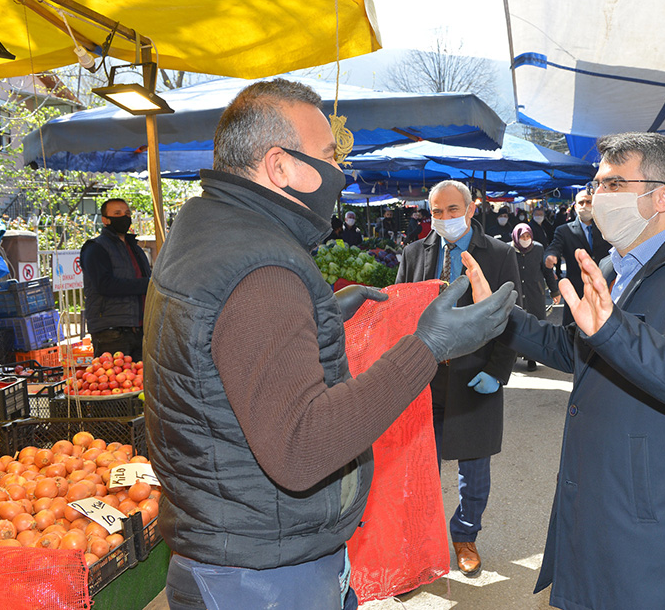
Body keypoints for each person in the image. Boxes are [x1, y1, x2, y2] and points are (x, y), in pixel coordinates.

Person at [143, 79, 517, 610]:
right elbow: (302, 448)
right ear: (280, 166)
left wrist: (314, 321)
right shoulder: (261, 265)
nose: (339, 172)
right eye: (327, 156)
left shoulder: (208, 228)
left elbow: (220, 350)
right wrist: (427, 347)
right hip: (262, 577)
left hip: (239, 541)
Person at [463, 132, 665, 610]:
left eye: (614, 184)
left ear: (662, 196)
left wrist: (615, 330)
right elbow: (574, 346)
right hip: (600, 504)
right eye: (597, 185)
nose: (598, 197)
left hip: (660, 526)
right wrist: (499, 317)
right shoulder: (616, 267)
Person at [395, 180, 521, 578]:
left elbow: (512, 319)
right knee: (417, 466)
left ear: (470, 209)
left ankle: (465, 536)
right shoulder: (415, 253)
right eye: (436, 211)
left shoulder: (499, 254)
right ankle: (417, 545)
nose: (444, 218)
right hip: (423, 377)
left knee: (474, 469)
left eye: (452, 210)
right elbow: (402, 309)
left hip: (474, 375)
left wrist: (497, 372)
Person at [80, 198, 151, 360]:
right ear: (105, 220)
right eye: (117, 213)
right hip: (111, 331)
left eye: (127, 213)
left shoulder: (135, 248)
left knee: (139, 381)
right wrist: (147, 284)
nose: (124, 217)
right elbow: (105, 285)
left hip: (139, 329)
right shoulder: (95, 248)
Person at [544, 190, 611, 325]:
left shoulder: (606, 228)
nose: (585, 205)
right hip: (577, 289)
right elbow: (554, 246)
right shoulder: (564, 230)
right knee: (574, 331)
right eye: (581, 202)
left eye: (588, 202)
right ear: (575, 207)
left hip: (603, 288)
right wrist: (550, 256)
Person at [510, 223, 559, 371]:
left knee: (534, 326)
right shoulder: (508, 250)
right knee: (514, 325)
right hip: (515, 293)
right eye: (522, 237)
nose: (525, 239)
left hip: (534, 295)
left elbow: (547, 271)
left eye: (528, 236)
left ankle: (532, 358)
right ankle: (512, 356)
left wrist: (555, 291)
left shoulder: (538, 248)